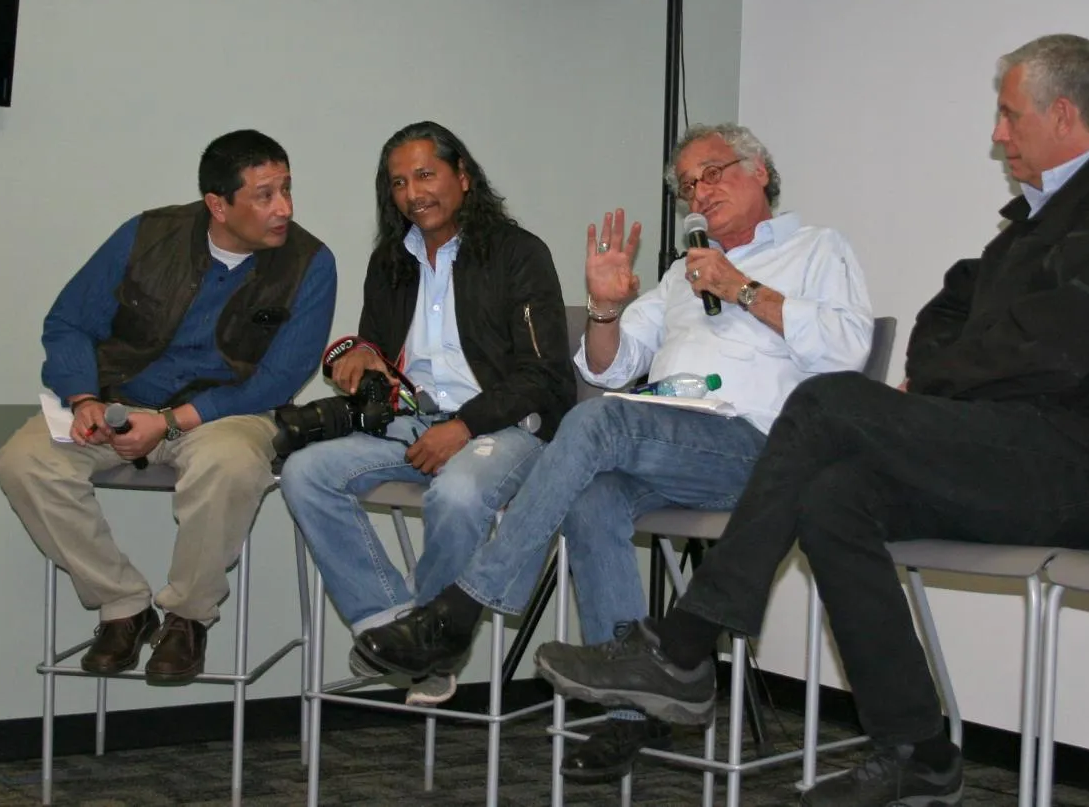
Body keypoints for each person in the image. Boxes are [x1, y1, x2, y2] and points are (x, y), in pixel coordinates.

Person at [533, 33, 1089, 807]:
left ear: (1063, 112)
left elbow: (1059, 353)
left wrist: (946, 372)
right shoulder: (1032, 226)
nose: (997, 135)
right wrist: (959, 363)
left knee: (824, 399)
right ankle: (917, 748)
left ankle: (684, 646)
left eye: (1009, 116)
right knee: (833, 498)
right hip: (1015, 452)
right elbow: (952, 307)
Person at [353, 122, 874, 774]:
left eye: (712, 173)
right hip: (675, 441)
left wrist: (743, 287)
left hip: (765, 449)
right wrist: (603, 309)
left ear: (759, 170)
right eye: (688, 185)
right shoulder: (684, 275)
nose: (699, 193)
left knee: (600, 424)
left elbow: (849, 348)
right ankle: (631, 714)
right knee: (593, 494)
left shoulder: (817, 250)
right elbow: (608, 367)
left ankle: (461, 607)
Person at [0, 130, 337, 685]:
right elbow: (69, 323)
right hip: (120, 402)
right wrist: (83, 398)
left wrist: (170, 423)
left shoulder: (310, 263)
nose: (285, 209)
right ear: (217, 205)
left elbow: (277, 380)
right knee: (23, 463)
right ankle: (123, 604)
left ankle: (187, 617)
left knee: (230, 465)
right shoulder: (147, 235)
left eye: (287, 189)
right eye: (265, 195)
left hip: (225, 414)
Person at [279, 121, 575, 705]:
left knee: (459, 494)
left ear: (462, 177)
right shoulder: (391, 260)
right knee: (304, 473)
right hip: (411, 422)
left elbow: (543, 376)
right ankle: (391, 627)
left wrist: (462, 428)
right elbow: (377, 351)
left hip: (506, 427)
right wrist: (360, 356)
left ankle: (432, 637)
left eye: (425, 174)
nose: (413, 192)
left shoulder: (518, 253)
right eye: (398, 182)